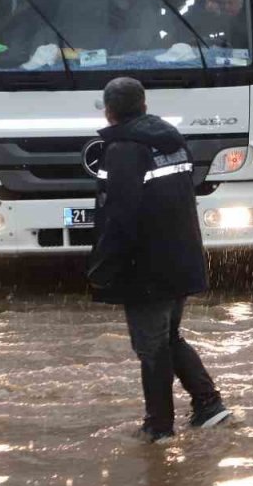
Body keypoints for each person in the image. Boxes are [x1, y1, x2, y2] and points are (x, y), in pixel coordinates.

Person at [87, 77, 231, 443]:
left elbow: (119, 215)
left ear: (109, 110)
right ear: (144, 106)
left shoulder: (123, 149)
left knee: (151, 346)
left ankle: (159, 428)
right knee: (169, 337)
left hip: (145, 266)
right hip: (180, 257)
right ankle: (208, 405)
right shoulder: (171, 140)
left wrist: (102, 268)